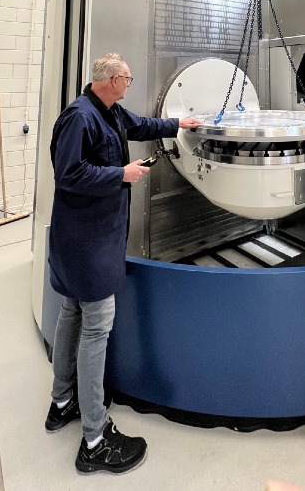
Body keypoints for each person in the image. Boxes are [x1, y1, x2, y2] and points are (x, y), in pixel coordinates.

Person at [44, 52, 201, 475]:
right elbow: (68, 174)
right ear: (111, 80)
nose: (129, 84)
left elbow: (140, 125)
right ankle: (94, 440)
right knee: (96, 328)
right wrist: (121, 174)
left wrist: (178, 125)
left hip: (89, 238)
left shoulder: (107, 110)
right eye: (127, 79)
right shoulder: (79, 118)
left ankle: (63, 402)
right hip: (86, 241)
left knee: (71, 314)